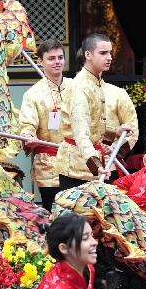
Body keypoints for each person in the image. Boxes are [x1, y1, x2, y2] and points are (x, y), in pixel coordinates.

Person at [57, 33, 128, 190]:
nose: (109, 57)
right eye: (103, 53)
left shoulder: (95, 83)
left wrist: (115, 132)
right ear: (87, 54)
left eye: (110, 52)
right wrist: (96, 165)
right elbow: (81, 133)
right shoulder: (79, 87)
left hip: (93, 163)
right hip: (76, 168)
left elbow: (93, 126)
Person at [18, 39, 70, 210]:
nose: (57, 62)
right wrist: (28, 136)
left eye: (60, 57)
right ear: (41, 61)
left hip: (78, 161)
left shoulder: (78, 87)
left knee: (78, 213)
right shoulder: (33, 94)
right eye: (51, 58)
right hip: (49, 165)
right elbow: (27, 124)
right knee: (54, 212)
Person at [102, 80, 139, 180]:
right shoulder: (69, 90)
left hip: (109, 163)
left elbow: (131, 130)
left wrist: (113, 149)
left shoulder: (117, 93)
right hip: (72, 166)